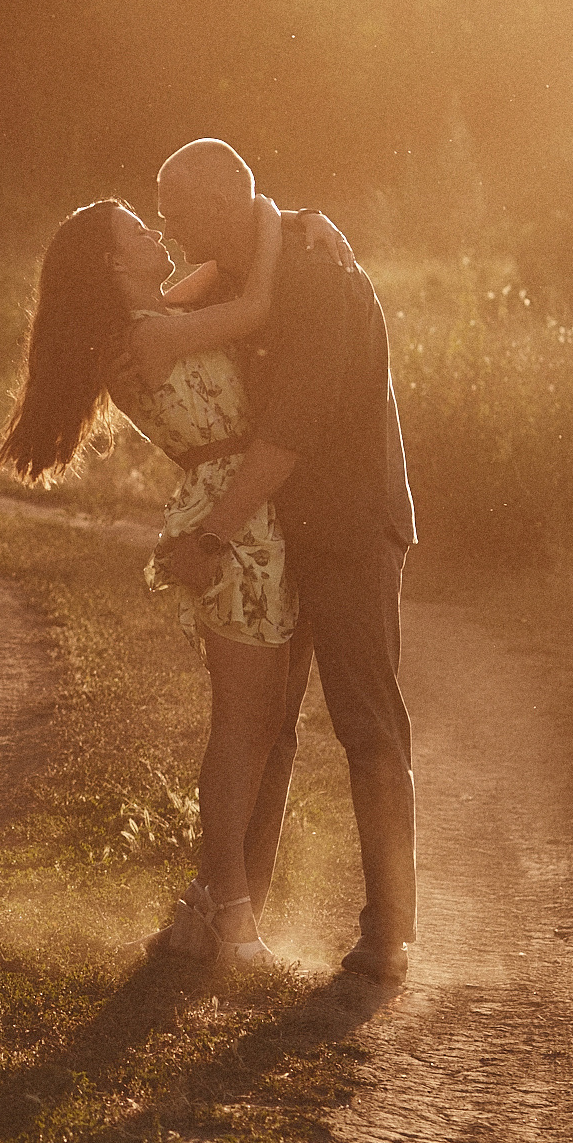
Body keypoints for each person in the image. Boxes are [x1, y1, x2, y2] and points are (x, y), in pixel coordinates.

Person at [0, 190, 354, 970]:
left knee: (251, 729)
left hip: (241, 515)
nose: (157, 232)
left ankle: (209, 906)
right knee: (243, 730)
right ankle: (230, 917)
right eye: (137, 229)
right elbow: (254, 301)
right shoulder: (153, 335)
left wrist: (297, 225)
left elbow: (226, 267)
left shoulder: (153, 318)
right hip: (236, 524)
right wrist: (264, 206)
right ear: (113, 263)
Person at [155, 139, 419, 986]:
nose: (165, 224)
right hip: (280, 529)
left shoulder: (314, 275)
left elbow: (286, 435)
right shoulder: (244, 269)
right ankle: (232, 910)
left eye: (176, 206)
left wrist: (209, 536)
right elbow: (157, 306)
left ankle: (389, 933)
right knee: (262, 720)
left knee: (367, 725)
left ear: (225, 203)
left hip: (347, 525)